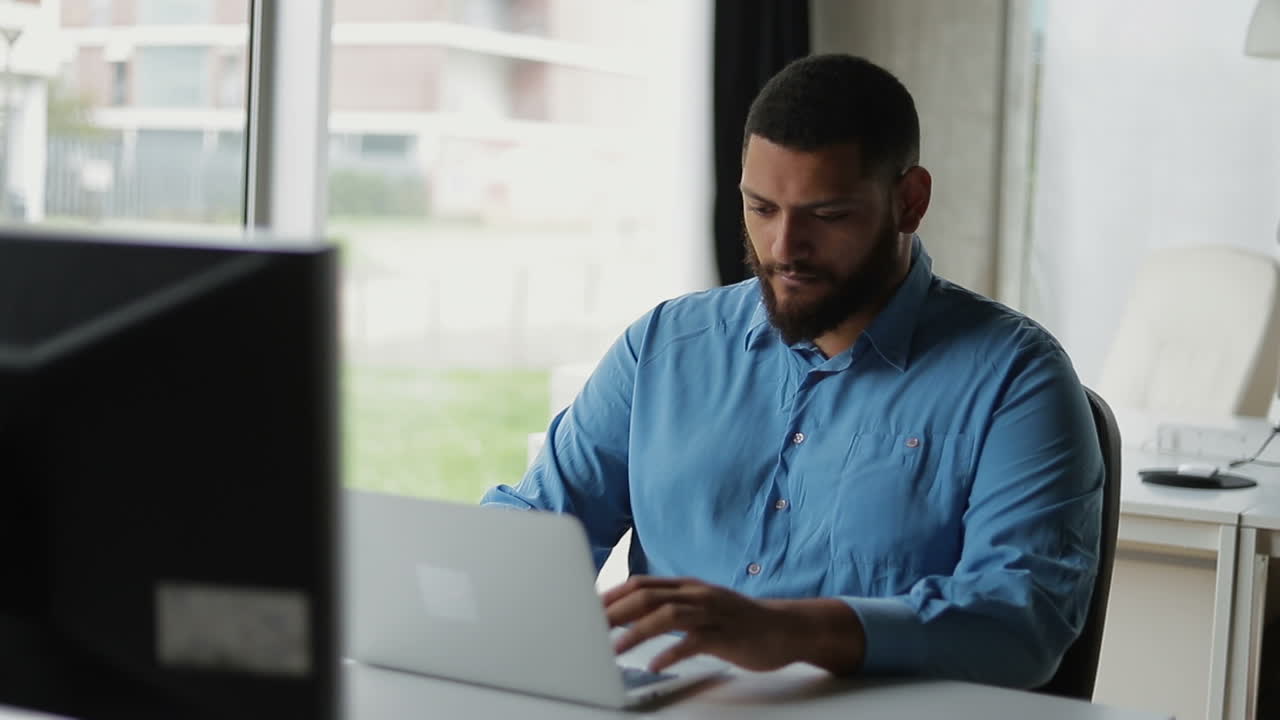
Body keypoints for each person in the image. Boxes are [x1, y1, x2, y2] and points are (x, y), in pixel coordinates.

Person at [481, 53, 1102, 689]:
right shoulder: (664, 347)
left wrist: (792, 632)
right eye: (762, 208)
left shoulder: (1017, 379)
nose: (783, 249)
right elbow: (540, 526)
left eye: (827, 216)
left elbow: (1020, 623)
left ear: (909, 202)